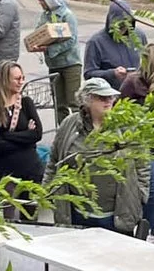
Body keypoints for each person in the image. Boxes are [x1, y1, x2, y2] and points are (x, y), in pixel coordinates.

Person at [48, 79, 147, 236]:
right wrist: (49, 191)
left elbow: (142, 163)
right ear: (87, 100)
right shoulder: (69, 124)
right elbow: (54, 161)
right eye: (101, 97)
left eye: (110, 97)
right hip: (77, 213)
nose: (108, 101)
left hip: (115, 216)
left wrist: (140, 194)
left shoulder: (126, 125)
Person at [0, 60, 43, 188]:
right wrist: (26, 139)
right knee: (8, 206)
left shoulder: (26, 102)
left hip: (31, 168)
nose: (21, 82)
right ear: (4, 80)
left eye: (22, 78)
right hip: (6, 170)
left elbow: (37, 134)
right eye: (17, 79)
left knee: (30, 206)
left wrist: (6, 135)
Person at [28, 0, 82, 114]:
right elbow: (39, 32)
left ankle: (76, 131)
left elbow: (71, 40)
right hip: (54, 64)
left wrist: (50, 49)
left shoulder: (66, 15)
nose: (40, 3)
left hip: (70, 63)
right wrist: (37, 44)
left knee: (74, 102)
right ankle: (62, 132)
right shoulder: (45, 16)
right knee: (59, 104)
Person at [83, 0, 144, 88]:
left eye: (126, 25)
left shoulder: (139, 36)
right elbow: (89, 74)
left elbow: (147, 61)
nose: (122, 29)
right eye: (119, 25)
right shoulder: (96, 42)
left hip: (136, 91)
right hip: (110, 94)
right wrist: (112, 74)